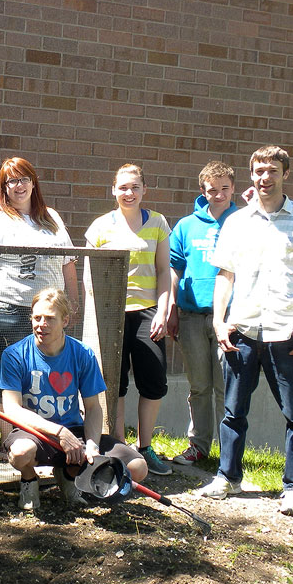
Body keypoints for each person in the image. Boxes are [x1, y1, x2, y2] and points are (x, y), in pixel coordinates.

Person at [199, 145, 293, 517]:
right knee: (233, 410)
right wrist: (218, 320)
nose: (264, 177)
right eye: (258, 170)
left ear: (285, 174)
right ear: (251, 174)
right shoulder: (237, 221)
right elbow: (225, 274)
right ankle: (227, 476)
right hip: (242, 330)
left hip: (286, 332)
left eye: (272, 170)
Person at [0, 288, 147, 510]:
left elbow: (93, 408)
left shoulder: (83, 354)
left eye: (49, 319)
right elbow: (12, 409)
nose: (41, 324)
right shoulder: (14, 354)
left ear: (65, 320)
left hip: (75, 432)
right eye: (36, 318)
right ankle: (29, 480)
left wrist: (92, 445)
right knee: (20, 454)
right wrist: (59, 432)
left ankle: (68, 474)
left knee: (137, 468)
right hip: (34, 434)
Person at [0, 156, 79, 438]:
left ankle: (44, 437)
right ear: (3, 188)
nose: (19, 185)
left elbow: (69, 263)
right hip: (7, 311)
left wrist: (73, 303)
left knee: (42, 374)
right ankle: (9, 440)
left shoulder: (51, 218)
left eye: (23, 178)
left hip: (50, 312)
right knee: (10, 375)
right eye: (11, 181)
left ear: (33, 182)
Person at [85, 164, 172, 476]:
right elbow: (89, 277)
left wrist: (163, 311)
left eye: (135, 187)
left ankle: (146, 446)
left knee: (154, 381)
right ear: (113, 190)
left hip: (148, 311)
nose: (129, 193)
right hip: (112, 313)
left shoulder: (158, 223)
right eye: (123, 187)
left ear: (144, 190)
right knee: (116, 383)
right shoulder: (99, 227)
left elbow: (164, 271)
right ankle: (121, 446)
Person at [167, 161, 239, 465]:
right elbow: (174, 268)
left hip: (231, 318)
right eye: (212, 189)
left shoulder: (243, 222)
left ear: (233, 188)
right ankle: (198, 446)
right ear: (202, 190)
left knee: (227, 388)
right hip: (192, 316)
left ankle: (229, 452)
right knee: (199, 386)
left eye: (224, 188)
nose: (219, 194)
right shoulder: (186, 226)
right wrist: (172, 307)